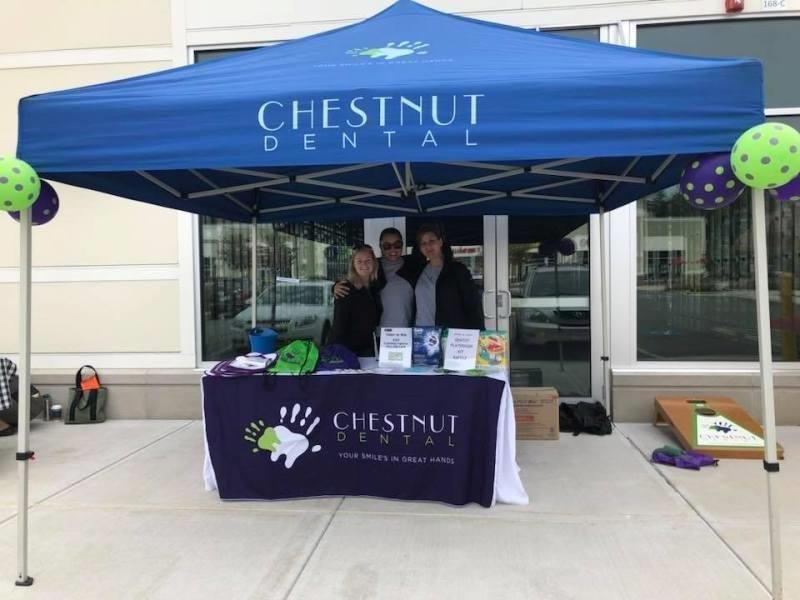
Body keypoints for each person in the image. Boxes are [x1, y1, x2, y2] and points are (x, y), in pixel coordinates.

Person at [333, 228, 423, 327]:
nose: (392, 249)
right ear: (380, 246)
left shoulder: (413, 266)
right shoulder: (373, 266)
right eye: (387, 246)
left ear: (402, 244)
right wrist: (335, 287)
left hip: (406, 333)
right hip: (378, 333)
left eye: (397, 245)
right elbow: (354, 279)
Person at [414, 223, 484, 330]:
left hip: (450, 335)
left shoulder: (458, 270)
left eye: (432, 241)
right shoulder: (417, 270)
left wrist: (478, 333)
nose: (428, 246)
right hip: (422, 335)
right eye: (423, 243)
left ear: (440, 242)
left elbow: (473, 305)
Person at [328, 245, 382, 356]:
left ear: (374, 263)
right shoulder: (345, 288)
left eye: (368, 260)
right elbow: (339, 326)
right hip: (347, 351)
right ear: (353, 264)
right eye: (359, 261)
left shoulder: (374, 286)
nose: (364, 265)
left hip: (367, 348)